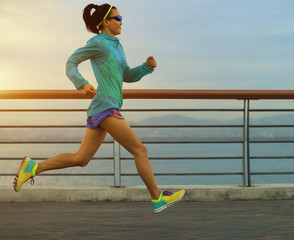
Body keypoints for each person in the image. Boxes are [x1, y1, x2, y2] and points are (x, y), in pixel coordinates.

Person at [13, 3, 184, 213]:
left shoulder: (116, 46)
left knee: (81, 159)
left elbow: (126, 75)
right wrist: (82, 84)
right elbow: (71, 63)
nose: (122, 21)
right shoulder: (98, 43)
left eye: (121, 18)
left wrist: (146, 67)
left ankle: (33, 167)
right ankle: (157, 198)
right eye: (118, 18)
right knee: (140, 150)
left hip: (103, 108)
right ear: (105, 22)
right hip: (105, 107)